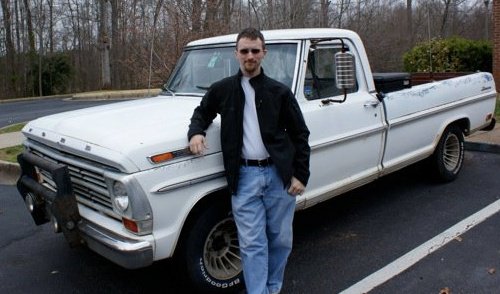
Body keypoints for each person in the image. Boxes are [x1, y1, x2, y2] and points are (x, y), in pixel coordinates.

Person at [188, 27, 310, 294]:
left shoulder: (279, 92)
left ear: (264, 53)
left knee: (280, 241)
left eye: (255, 50)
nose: (250, 56)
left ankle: (273, 287)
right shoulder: (222, 90)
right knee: (252, 243)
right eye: (244, 51)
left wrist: (301, 174)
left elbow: (301, 134)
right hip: (243, 178)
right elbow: (202, 112)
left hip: (279, 177)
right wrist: (196, 132)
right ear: (236, 54)